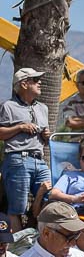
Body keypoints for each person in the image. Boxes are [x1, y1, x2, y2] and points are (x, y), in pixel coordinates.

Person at [0, 68, 51, 229]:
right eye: (35, 80)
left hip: (40, 160)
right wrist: (20, 127)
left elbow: (45, 137)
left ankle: (38, 239)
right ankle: (16, 249)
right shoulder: (8, 106)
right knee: (17, 209)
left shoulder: (43, 108)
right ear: (23, 84)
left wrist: (46, 135)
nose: (40, 82)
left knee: (48, 200)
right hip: (17, 159)